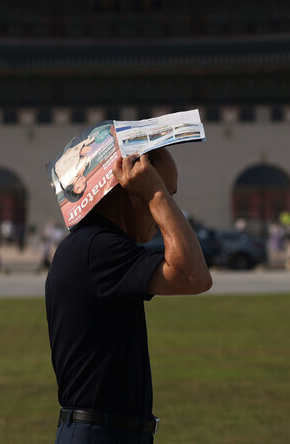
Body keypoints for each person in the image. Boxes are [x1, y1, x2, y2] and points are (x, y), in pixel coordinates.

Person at [45, 148, 212, 443]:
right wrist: (157, 195)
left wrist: (154, 191)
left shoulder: (93, 245)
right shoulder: (96, 249)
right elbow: (193, 275)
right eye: (165, 192)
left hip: (105, 430)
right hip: (100, 433)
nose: (168, 204)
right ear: (131, 190)